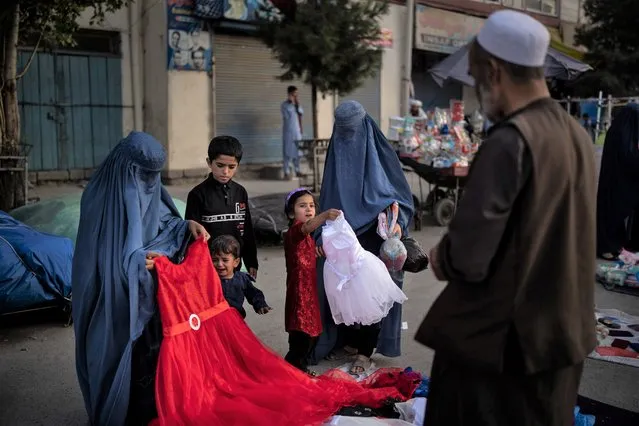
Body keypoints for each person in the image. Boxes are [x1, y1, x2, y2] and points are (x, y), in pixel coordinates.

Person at [415, 10, 596, 426]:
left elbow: (467, 258)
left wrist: (443, 255)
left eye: (478, 79)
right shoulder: (575, 134)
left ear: (494, 72)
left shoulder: (509, 141)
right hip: (562, 338)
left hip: (501, 352)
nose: (480, 92)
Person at [71, 131, 210, 426]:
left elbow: (164, 222)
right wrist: (134, 262)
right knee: (110, 353)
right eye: (142, 175)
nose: (147, 184)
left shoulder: (149, 187)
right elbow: (98, 260)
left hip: (149, 297)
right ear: (125, 166)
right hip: (109, 298)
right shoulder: (98, 199)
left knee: (152, 362)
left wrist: (187, 226)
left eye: (153, 177)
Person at [311, 100, 414, 375]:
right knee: (340, 290)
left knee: (370, 294)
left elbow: (402, 198)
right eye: (342, 132)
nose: (348, 139)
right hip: (342, 237)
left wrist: (397, 222)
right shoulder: (336, 154)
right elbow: (329, 198)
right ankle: (346, 341)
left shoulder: (381, 154)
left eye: (352, 132)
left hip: (374, 236)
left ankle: (366, 351)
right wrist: (322, 234)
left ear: (365, 127)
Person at [283, 188, 341, 373]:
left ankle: (299, 369)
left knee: (311, 334)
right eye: (302, 206)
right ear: (292, 212)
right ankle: (293, 369)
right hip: (299, 293)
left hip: (309, 292)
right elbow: (306, 228)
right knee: (300, 335)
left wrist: (316, 252)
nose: (308, 209)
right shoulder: (294, 231)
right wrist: (324, 216)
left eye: (311, 206)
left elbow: (303, 253)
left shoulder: (306, 237)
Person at [186, 135, 259, 279]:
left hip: (233, 268)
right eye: (220, 165)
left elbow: (247, 229)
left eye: (231, 167)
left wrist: (251, 261)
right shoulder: (197, 194)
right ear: (209, 162)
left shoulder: (240, 192)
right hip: (207, 267)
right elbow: (191, 235)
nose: (225, 172)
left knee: (233, 299)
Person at [596, 103, 639, 259]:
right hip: (616, 184)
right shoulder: (623, 134)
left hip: (616, 182)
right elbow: (629, 158)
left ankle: (615, 246)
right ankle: (606, 247)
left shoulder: (619, 131)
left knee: (615, 216)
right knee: (612, 217)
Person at [210, 235, 271, 319]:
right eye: (215, 260)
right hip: (215, 321)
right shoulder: (209, 280)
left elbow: (254, 294)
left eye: (225, 260)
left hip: (236, 320)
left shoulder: (242, 279)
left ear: (236, 262)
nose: (220, 264)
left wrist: (260, 305)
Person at [281, 85, 304, 180]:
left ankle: (297, 170)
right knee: (287, 152)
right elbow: (286, 117)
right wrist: (291, 104)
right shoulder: (284, 105)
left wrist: (296, 105)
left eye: (296, 94)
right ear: (289, 94)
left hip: (297, 132)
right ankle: (286, 172)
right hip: (288, 132)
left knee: (297, 152)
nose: (295, 95)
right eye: (294, 94)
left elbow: (300, 115)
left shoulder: (297, 105)